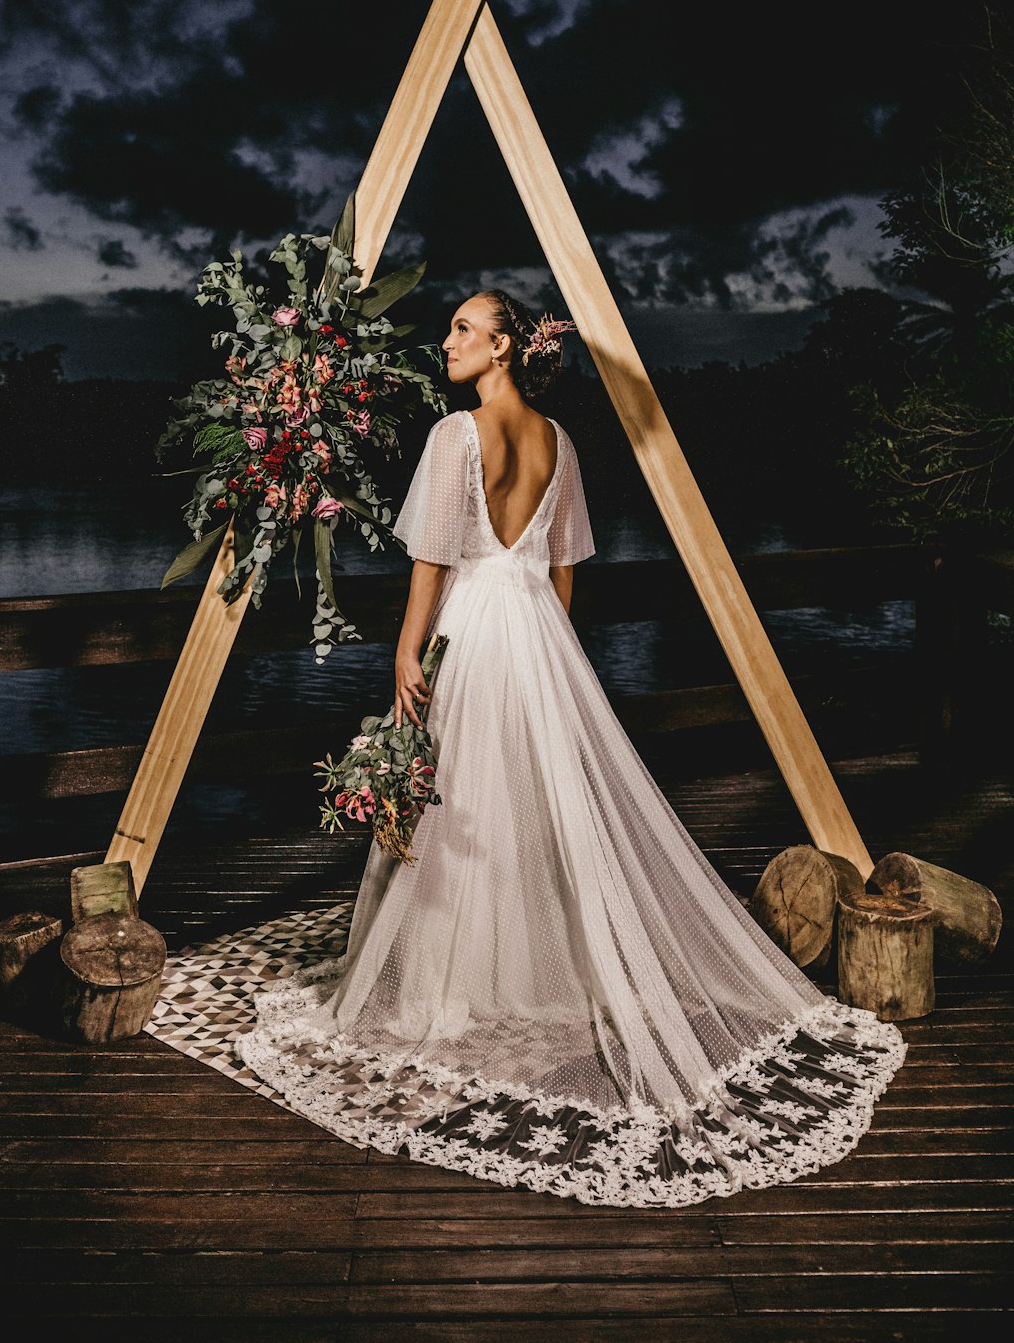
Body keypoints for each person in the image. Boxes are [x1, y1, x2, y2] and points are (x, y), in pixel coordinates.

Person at [237, 290, 905, 1207]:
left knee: (457, 804)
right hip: (538, 633)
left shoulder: (454, 435)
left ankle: (460, 977)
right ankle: (520, 965)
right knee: (526, 803)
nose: (449, 342)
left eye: (465, 330)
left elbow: (432, 559)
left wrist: (403, 651)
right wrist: (544, 643)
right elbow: (562, 567)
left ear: (506, 347)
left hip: (470, 624)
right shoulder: (561, 441)